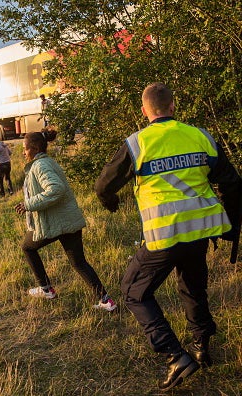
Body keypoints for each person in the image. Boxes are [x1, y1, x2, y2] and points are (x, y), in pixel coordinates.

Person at [95, 82, 242, 391]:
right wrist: (232, 222)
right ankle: (201, 345)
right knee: (193, 287)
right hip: (200, 231)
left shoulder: (137, 144)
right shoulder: (200, 136)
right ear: (173, 106)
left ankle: (176, 356)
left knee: (134, 292)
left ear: (145, 111)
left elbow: (103, 186)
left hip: (164, 236)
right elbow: (231, 182)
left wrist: (111, 202)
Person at [14, 132, 116, 311]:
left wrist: (29, 204)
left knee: (27, 247)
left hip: (57, 223)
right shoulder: (48, 162)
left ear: (35, 148)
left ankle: (46, 289)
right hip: (68, 220)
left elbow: (56, 189)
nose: (23, 152)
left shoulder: (40, 165)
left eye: (25, 148)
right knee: (78, 262)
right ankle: (106, 301)